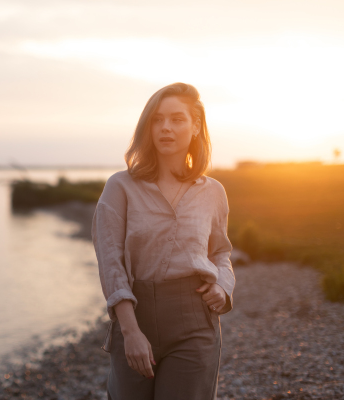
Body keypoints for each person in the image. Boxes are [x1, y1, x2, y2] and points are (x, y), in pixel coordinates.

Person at [91, 82, 235, 400]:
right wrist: (129, 331)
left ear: (196, 126)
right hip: (135, 314)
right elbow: (110, 261)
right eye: (157, 119)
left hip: (195, 320)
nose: (166, 128)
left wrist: (222, 287)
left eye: (176, 119)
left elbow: (221, 252)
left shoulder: (212, 192)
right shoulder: (120, 187)